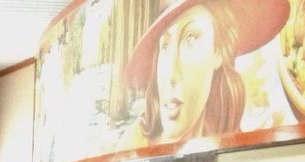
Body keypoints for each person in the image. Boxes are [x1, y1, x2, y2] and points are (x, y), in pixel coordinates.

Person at [117, 0, 290, 149]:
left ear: (218, 52)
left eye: (190, 39)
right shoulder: (133, 144)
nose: (171, 74)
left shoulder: (236, 147)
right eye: (165, 45)